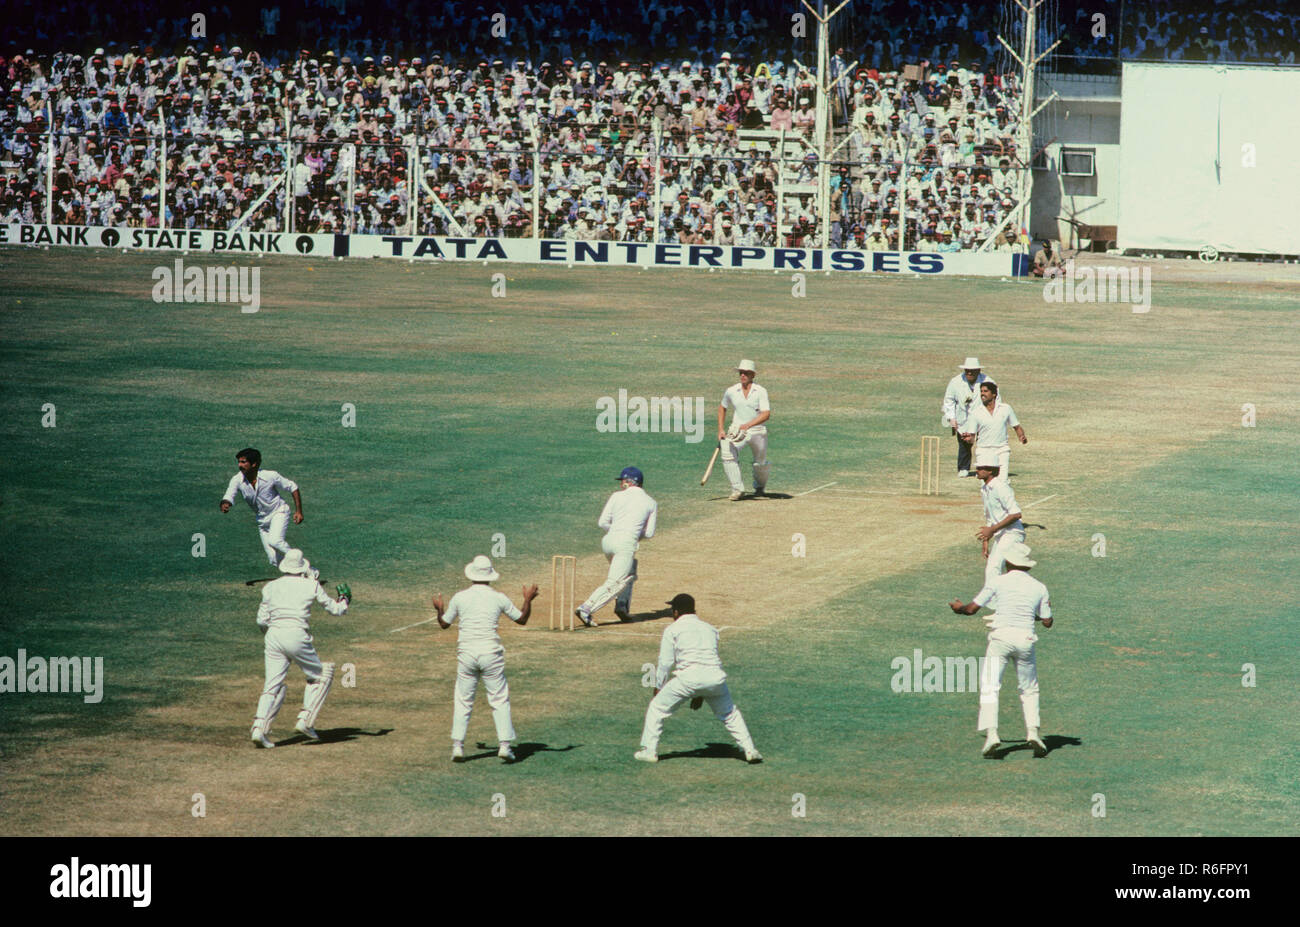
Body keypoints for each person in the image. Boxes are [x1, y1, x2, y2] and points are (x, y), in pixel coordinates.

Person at [949, 542, 1052, 758]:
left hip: (1001, 638)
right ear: (1027, 566)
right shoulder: (1040, 587)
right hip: (1025, 639)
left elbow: (971, 610)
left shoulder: (997, 581)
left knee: (990, 686)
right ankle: (1033, 732)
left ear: (1008, 563)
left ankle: (992, 735)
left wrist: (958, 608)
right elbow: (1047, 621)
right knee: (1029, 688)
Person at [432, 555, 538, 764]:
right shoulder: (498, 597)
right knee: (499, 699)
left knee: (463, 699)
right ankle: (505, 746)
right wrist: (527, 599)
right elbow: (522, 619)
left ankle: (457, 747)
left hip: (467, 655)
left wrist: (439, 608)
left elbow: (444, 624)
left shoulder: (460, 597)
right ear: (490, 576)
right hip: (491, 655)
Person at [635, 593, 762, 764]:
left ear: (675, 612)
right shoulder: (710, 628)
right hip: (715, 679)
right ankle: (750, 749)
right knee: (730, 714)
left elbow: (665, 663)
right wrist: (701, 692)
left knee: (656, 708)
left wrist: (658, 688)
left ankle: (649, 751)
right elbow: (706, 659)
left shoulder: (672, 630)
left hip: (687, 679)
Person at [250, 549, 351, 748]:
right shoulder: (311, 585)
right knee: (322, 675)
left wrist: (272, 638)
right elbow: (335, 609)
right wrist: (345, 600)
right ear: (302, 567)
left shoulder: (270, 587)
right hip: (296, 634)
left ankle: (258, 729)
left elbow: (261, 620)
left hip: (273, 636)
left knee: (272, 686)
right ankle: (305, 721)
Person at [575, 466, 658, 625]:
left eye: (623, 481)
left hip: (608, 541)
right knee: (616, 581)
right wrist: (632, 535)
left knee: (629, 572)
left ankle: (622, 607)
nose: (621, 484)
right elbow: (649, 533)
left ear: (630, 482)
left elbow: (602, 522)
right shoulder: (651, 502)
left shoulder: (615, 496)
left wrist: (616, 531)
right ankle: (586, 608)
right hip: (626, 544)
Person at [220, 448, 303, 569]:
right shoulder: (237, 480)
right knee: (274, 560)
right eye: (239, 462)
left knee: (275, 541)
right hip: (262, 521)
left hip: (279, 512)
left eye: (243, 462)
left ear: (254, 464)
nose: (240, 465)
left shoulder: (270, 476)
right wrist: (225, 503)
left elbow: (293, 487)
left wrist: (299, 511)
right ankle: (300, 577)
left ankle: (306, 567)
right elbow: (229, 494)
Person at [717, 359, 772, 501]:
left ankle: (759, 487)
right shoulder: (731, 391)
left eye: (746, 373)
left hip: (758, 431)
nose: (743, 375)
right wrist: (721, 430)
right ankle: (737, 489)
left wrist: (748, 425)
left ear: (753, 375)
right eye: (741, 372)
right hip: (737, 432)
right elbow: (722, 407)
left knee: (760, 462)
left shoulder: (760, 391)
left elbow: (766, 414)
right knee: (727, 453)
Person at [973, 451, 1026, 586]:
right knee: (997, 568)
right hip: (1002, 534)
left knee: (993, 568)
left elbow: (1016, 514)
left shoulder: (1001, 487)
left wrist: (992, 530)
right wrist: (986, 541)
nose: (976, 470)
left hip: (1013, 533)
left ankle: (995, 601)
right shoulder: (984, 489)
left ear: (990, 470)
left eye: (980, 468)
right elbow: (990, 516)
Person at [960, 379, 1026, 477]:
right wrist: (968, 439)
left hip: (1002, 450)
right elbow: (972, 437)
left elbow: (1016, 426)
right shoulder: (976, 412)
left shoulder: (1005, 408)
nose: (982, 394)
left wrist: (1022, 436)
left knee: (1002, 480)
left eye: (985, 391)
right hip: (983, 450)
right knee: (986, 483)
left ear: (994, 394)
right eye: (981, 391)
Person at [941, 357, 989, 477]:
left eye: (972, 370)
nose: (969, 373)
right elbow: (949, 401)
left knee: (983, 442)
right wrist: (951, 418)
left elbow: (995, 398)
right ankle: (963, 468)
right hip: (963, 418)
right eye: (967, 370)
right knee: (964, 443)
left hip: (982, 416)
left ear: (978, 370)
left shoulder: (988, 381)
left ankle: (983, 468)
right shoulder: (956, 382)